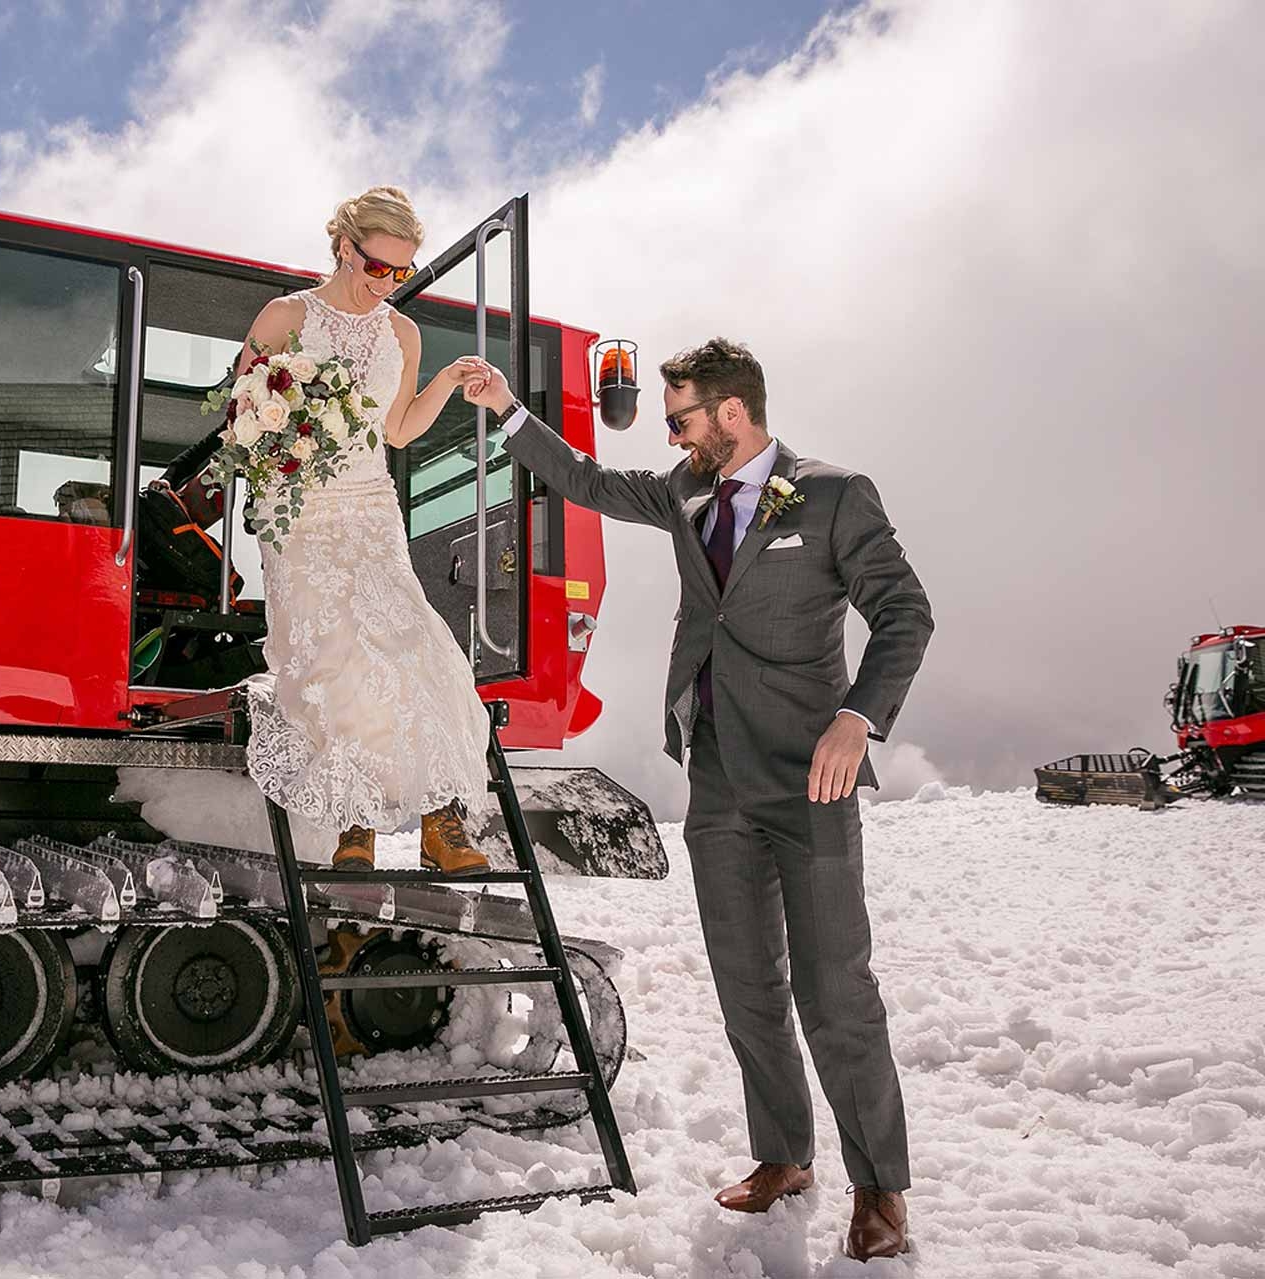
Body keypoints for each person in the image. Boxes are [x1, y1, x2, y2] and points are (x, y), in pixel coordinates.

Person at [462, 339, 931, 1261]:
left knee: (836, 991)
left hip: (811, 776)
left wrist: (858, 719)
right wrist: (508, 409)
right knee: (747, 986)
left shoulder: (835, 493)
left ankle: (880, 1185)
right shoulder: (684, 491)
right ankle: (783, 1157)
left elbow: (905, 611)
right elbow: (587, 480)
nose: (671, 435)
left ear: (730, 413)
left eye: (681, 419)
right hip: (717, 780)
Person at [236, 186, 493, 874]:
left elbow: (399, 430)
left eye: (402, 274)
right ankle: (356, 828)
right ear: (346, 248)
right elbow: (243, 417)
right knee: (336, 659)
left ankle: (442, 824)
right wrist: (291, 435)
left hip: (372, 509)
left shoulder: (400, 333)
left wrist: (443, 382)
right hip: (303, 519)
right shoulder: (286, 315)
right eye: (378, 267)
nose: (388, 285)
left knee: (418, 645)